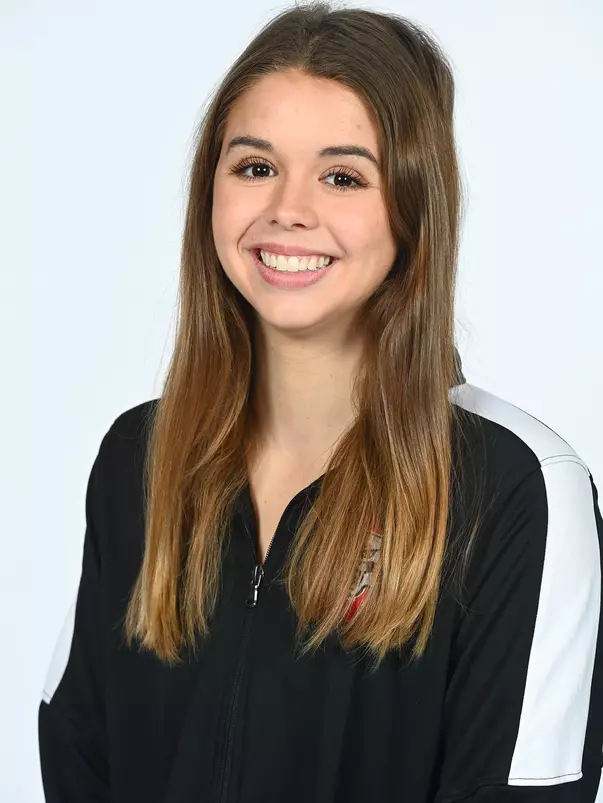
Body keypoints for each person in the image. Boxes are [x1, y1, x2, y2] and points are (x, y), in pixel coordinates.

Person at [37, 2, 603, 801]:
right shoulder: (139, 456)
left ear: (411, 209)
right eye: (255, 166)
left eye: (342, 175)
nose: (287, 210)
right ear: (211, 191)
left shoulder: (514, 489)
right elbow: (77, 755)